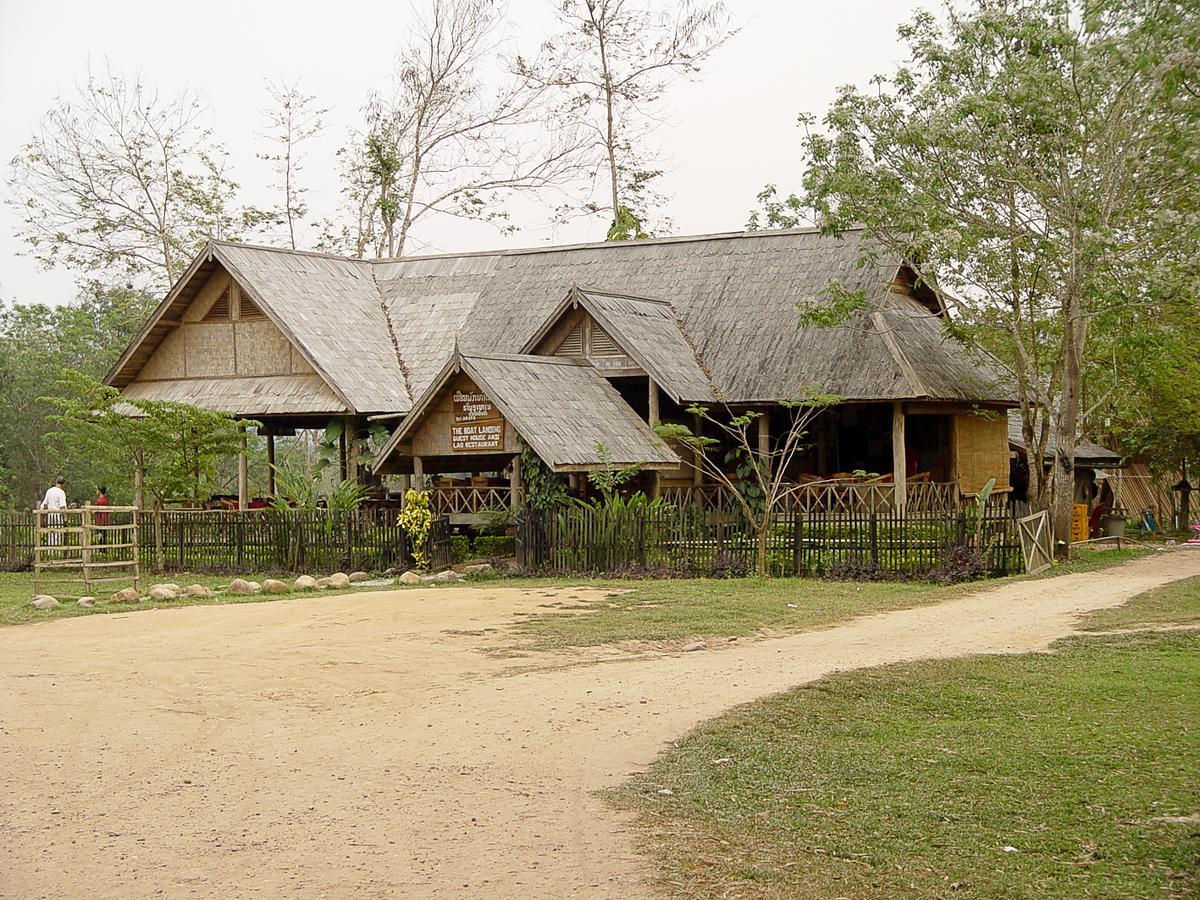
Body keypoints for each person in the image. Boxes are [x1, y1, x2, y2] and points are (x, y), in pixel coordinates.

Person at [41, 476, 68, 547]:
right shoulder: (61, 492)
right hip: (57, 514)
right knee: (57, 532)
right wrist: (65, 518)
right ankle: (56, 550)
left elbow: (45, 504)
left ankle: (50, 550)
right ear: (63, 484)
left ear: (56, 482)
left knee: (50, 532)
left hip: (50, 514)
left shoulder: (49, 491)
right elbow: (62, 506)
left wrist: (44, 516)